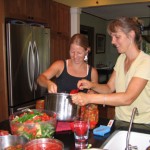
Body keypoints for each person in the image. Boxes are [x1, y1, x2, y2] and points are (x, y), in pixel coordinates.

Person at [71, 17, 150, 124]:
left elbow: (128, 98)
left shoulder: (145, 62)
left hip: (142, 125)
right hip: (120, 120)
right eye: (112, 37)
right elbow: (109, 88)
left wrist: (90, 98)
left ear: (131, 35)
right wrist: (91, 85)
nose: (113, 41)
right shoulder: (121, 58)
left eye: (117, 37)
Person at [37, 33, 99, 128]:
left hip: (79, 122)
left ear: (87, 51)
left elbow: (94, 95)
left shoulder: (92, 72)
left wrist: (92, 93)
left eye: (79, 53)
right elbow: (40, 78)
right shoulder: (60, 65)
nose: (75, 56)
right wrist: (48, 83)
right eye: (72, 52)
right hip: (56, 119)